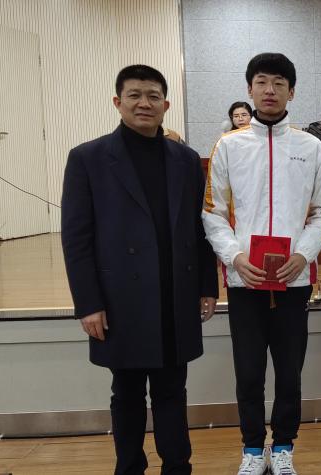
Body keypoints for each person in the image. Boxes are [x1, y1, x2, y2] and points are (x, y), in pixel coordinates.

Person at [61, 64, 218, 475]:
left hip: (173, 293)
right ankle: (129, 467)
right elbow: (76, 239)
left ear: (166, 104)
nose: (144, 103)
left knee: (172, 391)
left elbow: (199, 229)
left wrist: (207, 285)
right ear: (118, 102)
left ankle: (177, 466)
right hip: (121, 299)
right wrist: (88, 303)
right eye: (134, 95)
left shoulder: (186, 159)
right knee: (127, 393)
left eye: (153, 96)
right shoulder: (88, 158)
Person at [202, 53, 321, 475]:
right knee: (249, 371)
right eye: (261, 82)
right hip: (246, 280)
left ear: (292, 91)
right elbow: (213, 212)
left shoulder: (311, 147)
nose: (269, 90)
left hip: (293, 280)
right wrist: (235, 257)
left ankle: (284, 446)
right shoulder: (229, 146)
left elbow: (319, 213)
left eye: (278, 83)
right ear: (249, 89)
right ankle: (254, 449)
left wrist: (302, 255)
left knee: (290, 372)